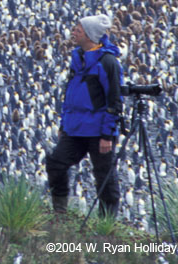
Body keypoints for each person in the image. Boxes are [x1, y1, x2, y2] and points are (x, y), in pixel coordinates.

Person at [46, 14, 123, 217]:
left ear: (89, 35)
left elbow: (114, 101)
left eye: (78, 30)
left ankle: (107, 223)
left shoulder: (107, 63)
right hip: (75, 128)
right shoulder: (77, 58)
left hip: (98, 131)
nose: (73, 32)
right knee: (56, 162)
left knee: (104, 177)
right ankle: (60, 211)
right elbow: (70, 95)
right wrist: (64, 125)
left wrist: (107, 135)